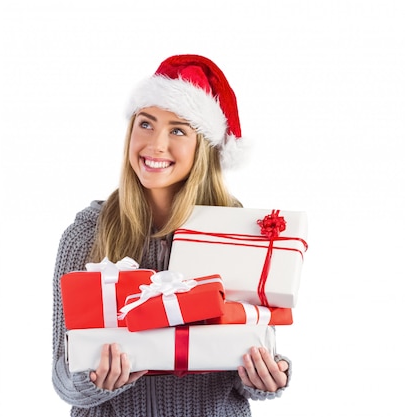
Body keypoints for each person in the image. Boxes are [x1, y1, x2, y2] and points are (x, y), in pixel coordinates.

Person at [51, 54, 291, 416]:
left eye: (178, 130)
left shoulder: (234, 232)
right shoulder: (86, 235)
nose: (156, 144)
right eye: (145, 124)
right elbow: (62, 376)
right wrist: (92, 381)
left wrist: (264, 375)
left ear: (204, 149)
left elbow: (249, 344)